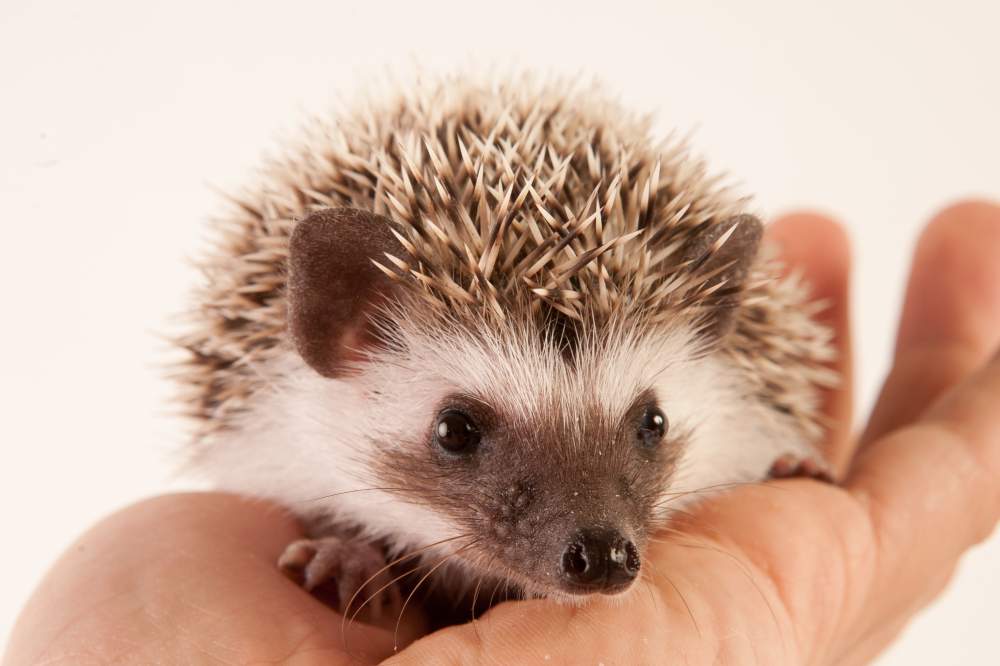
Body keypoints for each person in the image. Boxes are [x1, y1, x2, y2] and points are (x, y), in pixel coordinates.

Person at [5, 201, 1000, 665]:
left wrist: (770, 483)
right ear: (344, 340)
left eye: (645, 428)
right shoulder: (291, 436)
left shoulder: (728, 422)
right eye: (463, 431)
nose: (600, 536)